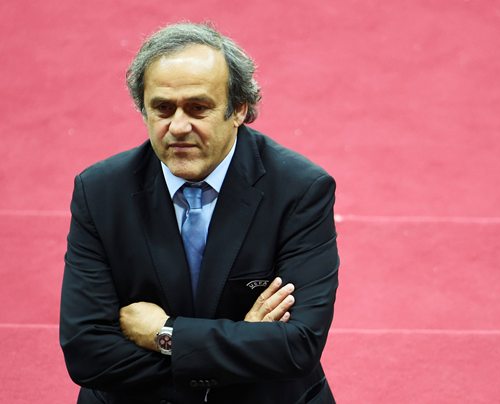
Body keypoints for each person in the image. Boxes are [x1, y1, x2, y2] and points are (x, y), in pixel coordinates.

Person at [60, 22, 339, 404]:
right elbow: (86, 352)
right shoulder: (99, 192)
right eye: (162, 108)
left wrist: (165, 334)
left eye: (197, 108)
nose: (177, 126)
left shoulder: (300, 189)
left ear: (238, 109)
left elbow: (298, 346)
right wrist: (239, 345)